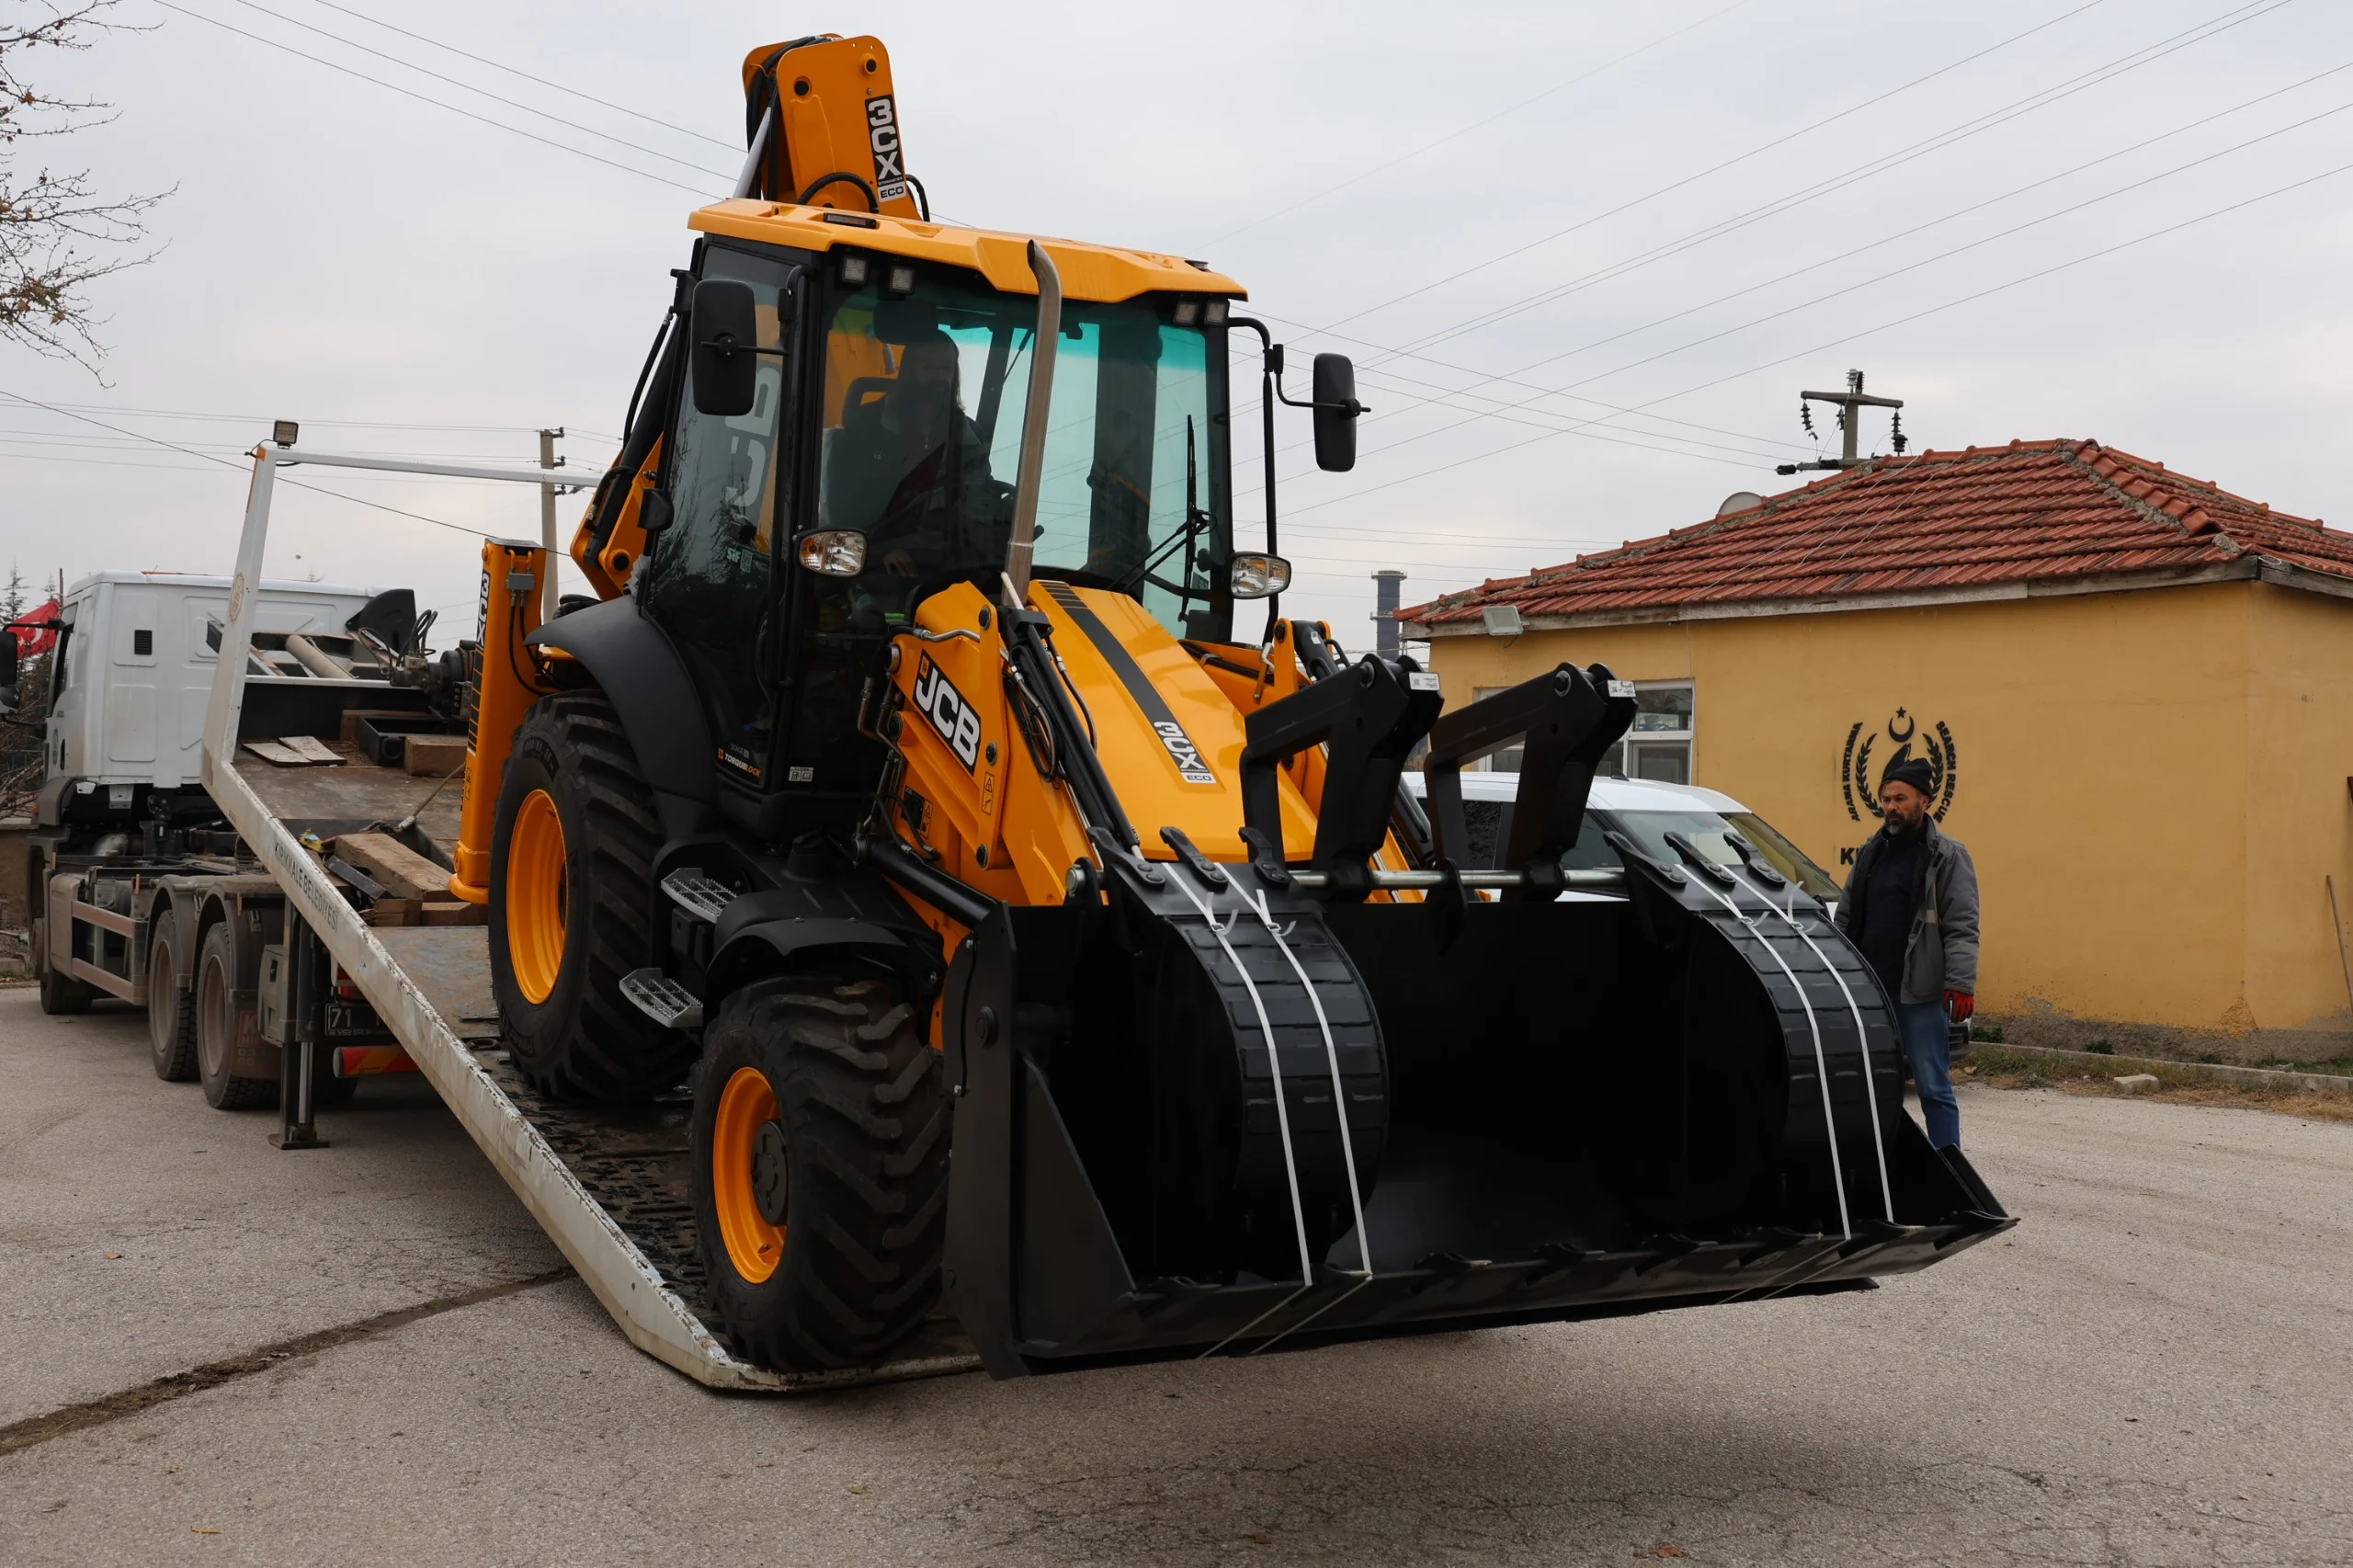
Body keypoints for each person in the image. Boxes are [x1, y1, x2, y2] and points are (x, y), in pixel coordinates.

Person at [1836, 756, 1980, 1150]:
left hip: (1916, 993)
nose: (1891, 807)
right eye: (1885, 799)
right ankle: (1882, 1170)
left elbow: (1962, 926)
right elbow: (1846, 915)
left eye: (1900, 798)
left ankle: (1950, 1170)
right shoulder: (1871, 851)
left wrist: (1960, 983)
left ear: (1924, 802)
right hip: (1868, 992)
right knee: (1869, 1086)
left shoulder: (1948, 856)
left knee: (1933, 1087)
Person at [821, 330, 1006, 580]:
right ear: (907, 372)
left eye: (946, 368)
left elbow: (977, 502)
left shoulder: (970, 437)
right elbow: (842, 508)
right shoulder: (867, 426)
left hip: (948, 567)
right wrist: (877, 551)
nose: (939, 377)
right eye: (928, 368)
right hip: (876, 566)